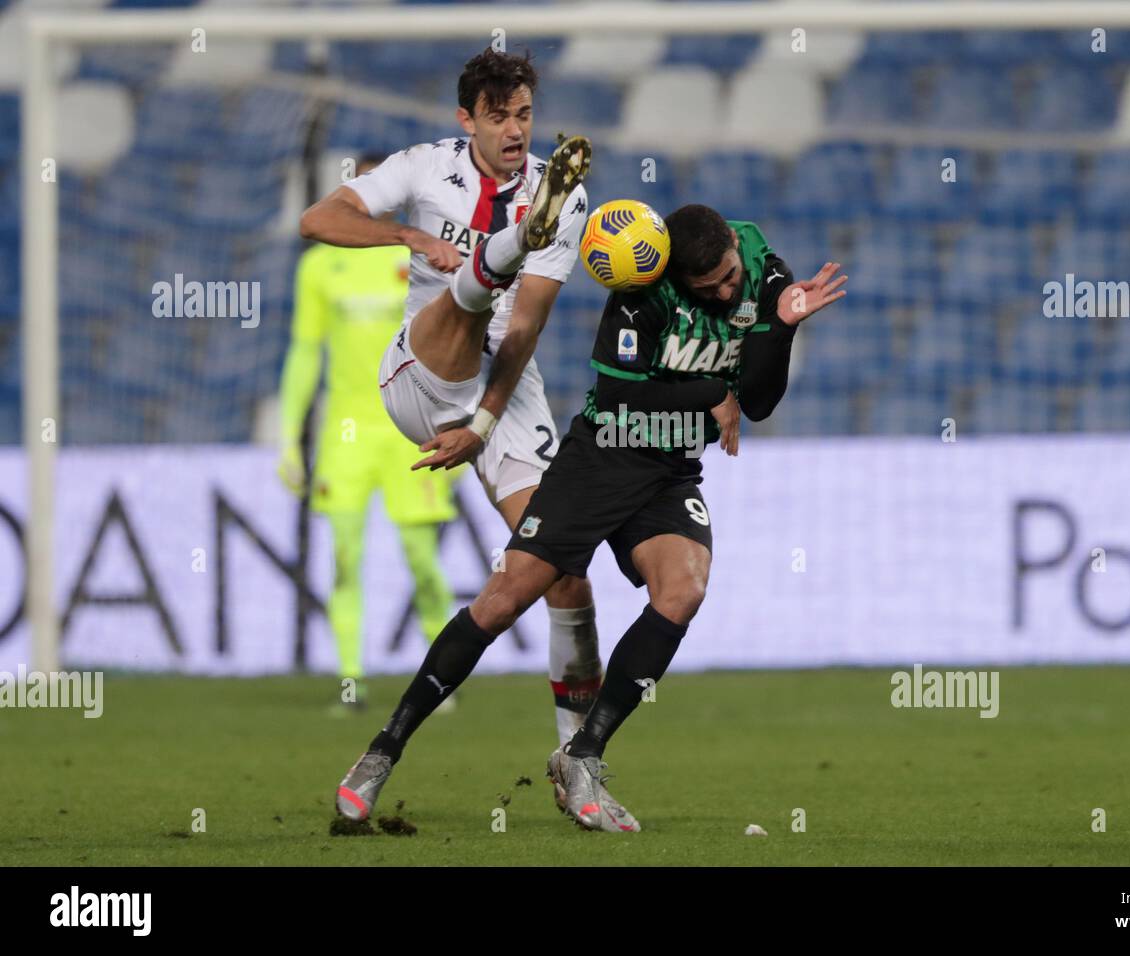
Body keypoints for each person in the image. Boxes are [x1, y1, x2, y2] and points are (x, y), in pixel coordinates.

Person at [334, 204, 848, 832]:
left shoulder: (766, 277)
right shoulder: (640, 290)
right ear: (676, 278)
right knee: (504, 599)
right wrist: (711, 391)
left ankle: (582, 756)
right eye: (707, 286)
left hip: (670, 472)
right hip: (602, 457)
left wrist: (784, 327)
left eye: (728, 276)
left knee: (683, 589)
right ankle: (382, 751)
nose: (724, 290)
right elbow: (623, 392)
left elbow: (760, 404)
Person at [299, 48, 623, 811]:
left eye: (525, 116)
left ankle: (568, 763)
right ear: (466, 119)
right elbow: (319, 218)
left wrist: (485, 421)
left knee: (557, 572)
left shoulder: (563, 194)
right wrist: (408, 240)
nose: (515, 130)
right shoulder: (421, 167)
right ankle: (499, 254)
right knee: (467, 298)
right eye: (499, 116)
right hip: (421, 372)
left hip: (502, 392)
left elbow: (529, 330)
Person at [279, 154, 461, 711]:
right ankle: (350, 681)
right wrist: (289, 436)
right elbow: (307, 351)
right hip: (346, 433)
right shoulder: (319, 267)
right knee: (344, 557)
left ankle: (440, 680)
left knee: (422, 559)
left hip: (412, 426)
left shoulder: (425, 259)